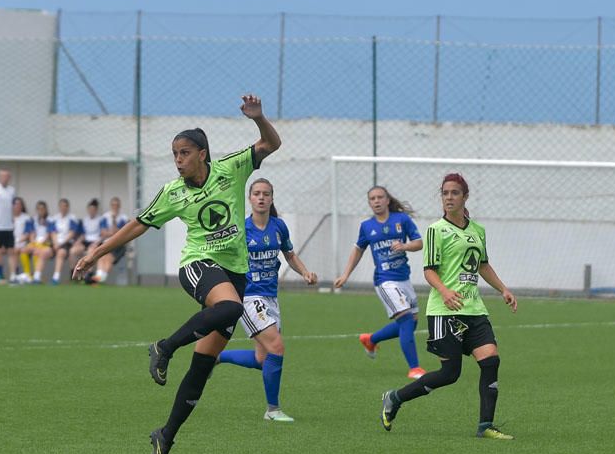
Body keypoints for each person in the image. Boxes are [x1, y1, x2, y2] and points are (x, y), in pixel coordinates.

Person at [73, 94, 281, 454]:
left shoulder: (231, 169)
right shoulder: (173, 193)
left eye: (184, 153)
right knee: (232, 308)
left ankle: (165, 437)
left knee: (203, 367)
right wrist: (97, 252)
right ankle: (163, 347)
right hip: (197, 266)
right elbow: (137, 224)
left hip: (235, 274)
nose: (178, 160)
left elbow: (271, 144)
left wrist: (259, 118)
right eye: (174, 154)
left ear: (202, 153)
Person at [380, 173, 517, 440]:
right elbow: (429, 271)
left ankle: (485, 425)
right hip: (445, 311)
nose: (449, 198)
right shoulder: (436, 230)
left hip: (474, 308)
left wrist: (503, 289)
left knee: (491, 360)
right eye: (445, 193)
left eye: (454, 193)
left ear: (465, 196)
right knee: (450, 373)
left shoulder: (478, 230)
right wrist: (444, 292)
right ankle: (395, 398)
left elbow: (483, 265)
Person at [217, 178, 317, 422]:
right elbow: (223, 258)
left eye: (266, 194)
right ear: (249, 198)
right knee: (277, 347)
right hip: (249, 297)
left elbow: (289, 254)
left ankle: (215, 357)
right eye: (257, 193)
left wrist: (304, 271)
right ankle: (272, 410)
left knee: (262, 359)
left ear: (272, 198)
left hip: (271, 297)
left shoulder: (279, 227)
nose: (261, 198)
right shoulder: (240, 228)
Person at [333, 186, 426, 379]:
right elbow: (358, 250)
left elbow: (419, 243)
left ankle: (371, 340)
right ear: (370, 203)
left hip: (404, 279)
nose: (376, 201)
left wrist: (405, 246)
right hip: (385, 281)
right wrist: (346, 274)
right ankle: (415, 368)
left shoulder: (402, 220)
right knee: (406, 320)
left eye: (379, 197)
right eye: (372, 199)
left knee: (411, 323)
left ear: (387, 200)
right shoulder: (367, 226)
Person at [48, 198, 77, 284]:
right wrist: (55, 243)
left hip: (66, 243)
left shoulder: (72, 218)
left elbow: (71, 233)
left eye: (65, 206)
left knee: (61, 253)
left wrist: (60, 244)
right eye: (61, 206)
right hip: (55, 243)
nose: (63, 208)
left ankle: (56, 278)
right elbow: (52, 232)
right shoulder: (54, 218)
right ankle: (36, 277)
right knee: (43, 252)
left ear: (68, 207)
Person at [69, 198, 101, 275]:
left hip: (95, 242)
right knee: (73, 251)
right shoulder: (85, 220)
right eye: (90, 209)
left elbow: (102, 235)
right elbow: (83, 234)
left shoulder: (100, 219)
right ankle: (73, 272)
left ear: (96, 210)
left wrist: (96, 243)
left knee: (90, 252)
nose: (91, 211)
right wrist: (77, 242)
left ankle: (89, 275)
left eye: (93, 209)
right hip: (85, 241)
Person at [24, 200, 53, 284]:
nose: (41, 211)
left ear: (46, 209)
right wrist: (33, 242)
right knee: (24, 250)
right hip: (35, 242)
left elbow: (49, 234)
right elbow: (32, 233)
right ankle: (28, 274)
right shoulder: (33, 219)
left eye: (42, 209)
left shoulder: (50, 219)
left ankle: (36, 276)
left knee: (37, 252)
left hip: (45, 243)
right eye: (39, 209)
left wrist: (40, 244)